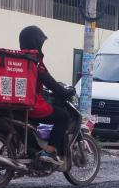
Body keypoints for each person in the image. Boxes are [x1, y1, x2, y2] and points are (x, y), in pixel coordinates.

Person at [19, 25, 77, 167]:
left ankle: (33, 151)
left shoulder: (20, 57)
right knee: (63, 117)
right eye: (40, 42)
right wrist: (65, 92)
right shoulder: (34, 60)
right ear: (35, 42)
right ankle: (50, 152)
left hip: (17, 103)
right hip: (31, 104)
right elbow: (50, 82)